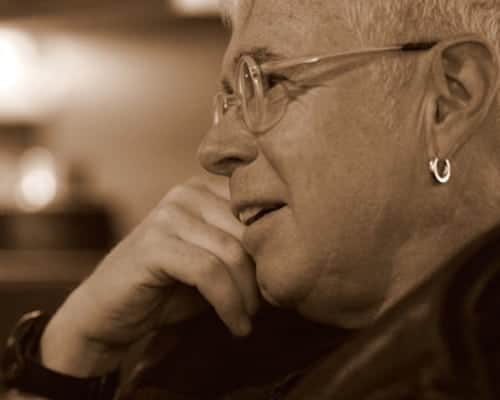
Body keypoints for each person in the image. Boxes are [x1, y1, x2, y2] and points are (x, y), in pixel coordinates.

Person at [3, 0, 500, 399]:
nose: (213, 149)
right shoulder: (204, 348)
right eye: (232, 101)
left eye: (270, 81)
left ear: (449, 99)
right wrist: (70, 354)